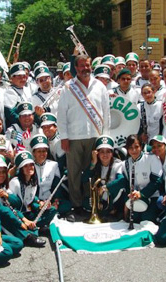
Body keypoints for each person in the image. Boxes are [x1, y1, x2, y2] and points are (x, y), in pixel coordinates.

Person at [57, 54, 110, 214]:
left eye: (87, 65)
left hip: (95, 136)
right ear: (76, 68)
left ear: (91, 66)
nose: (85, 68)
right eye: (81, 65)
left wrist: (105, 138)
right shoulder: (68, 87)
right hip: (73, 138)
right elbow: (61, 114)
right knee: (74, 173)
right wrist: (64, 136)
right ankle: (77, 204)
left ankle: (90, 202)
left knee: (92, 172)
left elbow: (106, 113)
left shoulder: (100, 86)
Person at [0, 154, 46, 247]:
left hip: (7, 214)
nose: (1, 175)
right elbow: (1, 210)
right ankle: (26, 237)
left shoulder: (2, 186)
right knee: (8, 218)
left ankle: (31, 231)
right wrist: (20, 221)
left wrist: (7, 196)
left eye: (3, 172)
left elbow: (16, 204)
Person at [8, 151, 57, 232]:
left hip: (29, 212)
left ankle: (33, 226)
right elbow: (11, 207)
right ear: (21, 169)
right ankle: (32, 228)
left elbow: (31, 196)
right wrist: (25, 220)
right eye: (25, 166)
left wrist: (40, 202)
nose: (29, 168)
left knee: (52, 210)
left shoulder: (33, 181)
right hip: (18, 214)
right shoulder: (15, 182)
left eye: (31, 165)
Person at [122, 135, 163, 223]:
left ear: (141, 146)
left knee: (147, 218)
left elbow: (157, 182)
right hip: (136, 198)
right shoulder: (126, 164)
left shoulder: (151, 158)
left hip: (152, 196)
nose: (134, 150)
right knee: (134, 219)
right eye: (130, 148)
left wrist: (141, 194)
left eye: (136, 147)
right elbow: (127, 185)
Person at [82, 135, 124, 216]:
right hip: (101, 198)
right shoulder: (96, 164)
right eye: (102, 152)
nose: (105, 155)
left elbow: (121, 181)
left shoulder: (118, 164)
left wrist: (105, 188)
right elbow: (84, 179)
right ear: (97, 153)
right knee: (86, 203)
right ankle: (105, 209)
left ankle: (110, 209)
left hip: (114, 198)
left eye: (108, 151)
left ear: (112, 153)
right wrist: (93, 163)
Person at [30, 134, 71, 216]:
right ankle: (50, 213)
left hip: (50, 199)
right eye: (39, 151)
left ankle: (50, 211)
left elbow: (56, 185)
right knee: (32, 207)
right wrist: (39, 202)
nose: (42, 154)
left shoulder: (53, 165)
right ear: (34, 153)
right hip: (36, 200)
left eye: (44, 151)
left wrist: (56, 200)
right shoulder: (29, 167)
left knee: (67, 205)